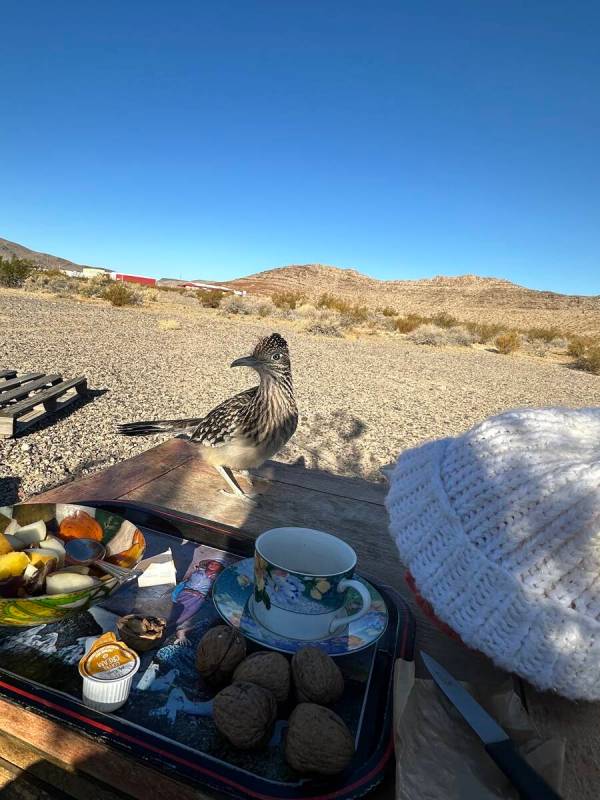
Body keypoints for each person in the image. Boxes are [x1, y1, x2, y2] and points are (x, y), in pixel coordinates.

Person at [170, 559, 224, 645]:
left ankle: (179, 629)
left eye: (216, 565)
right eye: (211, 563)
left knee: (186, 615)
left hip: (198, 598)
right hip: (184, 593)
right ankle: (169, 623)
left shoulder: (217, 579)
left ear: (220, 568)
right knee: (173, 610)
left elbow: (215, 593)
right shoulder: (197, 572)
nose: (213, 565)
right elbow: (185, 580)